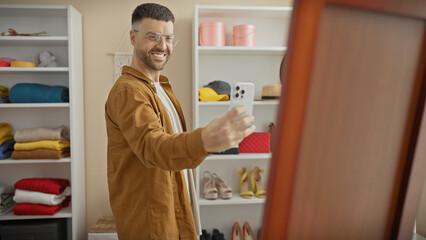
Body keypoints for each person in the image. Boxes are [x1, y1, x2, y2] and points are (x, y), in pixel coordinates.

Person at [105, 3, 255, 240]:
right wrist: (204, 140)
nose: (162, 46)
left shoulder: (161, 87)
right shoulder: (129, 92)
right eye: (153, 37)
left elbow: (171, 147)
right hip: (151, 227)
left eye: (168, 38)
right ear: (133, 37)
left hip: (173, 214)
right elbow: (154, 147)